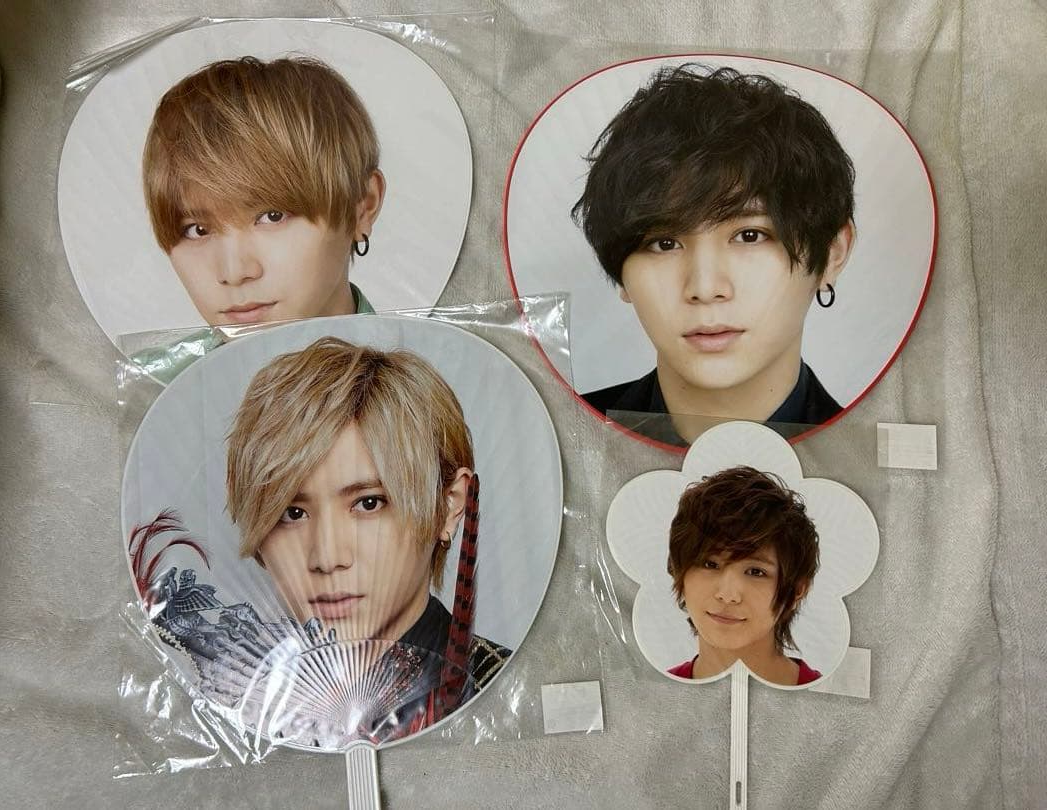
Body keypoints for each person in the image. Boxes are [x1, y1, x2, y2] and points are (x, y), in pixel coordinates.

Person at [223, 336, 510, 742]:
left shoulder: (506, 690)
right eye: (292, 513)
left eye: (369, 503)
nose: (327, 557)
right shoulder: (233, 709)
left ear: (448, 506)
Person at [572, 64, 856, 437]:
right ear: (620, 269)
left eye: (750, 236)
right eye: (664, 243)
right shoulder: (566, 434)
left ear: (832, 253)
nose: (705, 289)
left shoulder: (874, 460)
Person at [133, 56, 385, 383]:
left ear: (362, 207)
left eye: (272, 216)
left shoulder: (440, 376)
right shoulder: (146, 390)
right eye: (197, 230)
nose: (234, 272)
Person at [665, 466, 821, 685]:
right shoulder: (648, 695)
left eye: (755, 572)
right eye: (710, 564)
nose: (728, 595)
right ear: (677, 571)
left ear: (797, 590)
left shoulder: (831, 700)